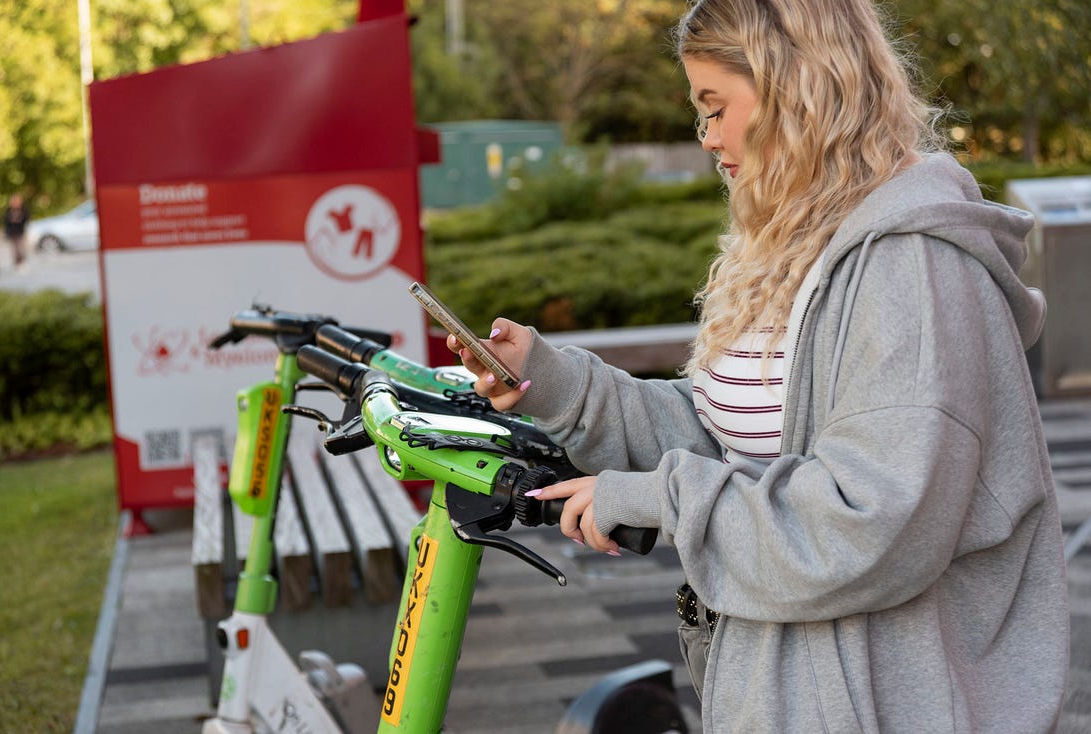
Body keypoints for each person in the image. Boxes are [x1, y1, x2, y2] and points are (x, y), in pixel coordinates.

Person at [449, 0, 1070, 731]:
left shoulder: (912, 267)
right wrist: (556, 382)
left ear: (794, 87)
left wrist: (659, 499)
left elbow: (871, 522)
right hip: (797, 690)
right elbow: (725, 441)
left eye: (716, 108)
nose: (708, 137)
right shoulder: (794, 241)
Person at [2, 193, 29, 267]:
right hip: (12, 232)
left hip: (20, 231)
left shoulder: (23, 210)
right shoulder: (9, 210)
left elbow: (27, 219)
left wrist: (21, 219)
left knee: (21, 247)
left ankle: (22, 261)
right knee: (14, 248)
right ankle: (17, 262)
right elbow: (5, 221)